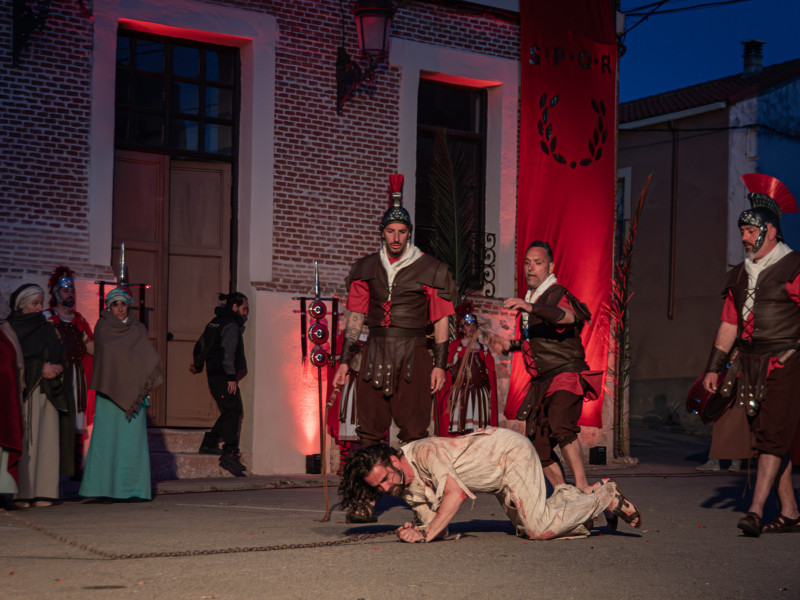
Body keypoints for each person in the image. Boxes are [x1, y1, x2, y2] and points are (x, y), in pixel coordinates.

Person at [331, 176, 457, 521]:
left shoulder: (432, 269)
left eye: (402, 231)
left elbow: (441, 320)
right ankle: (364, 500)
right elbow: (355, 316)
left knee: (415, 434)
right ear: (382, 233)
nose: (396, 238)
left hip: (415, 354)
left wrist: (440, 365)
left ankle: (422, 503)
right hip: (375, 353)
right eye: (391, 232)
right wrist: (345, 361)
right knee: (369, 432)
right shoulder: (365, 268)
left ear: (409, 233)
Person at [702, 174, 800, 536]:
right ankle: (789, 511)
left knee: (773, 434)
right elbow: (729, 323)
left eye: (749, 229)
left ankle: (756, 510)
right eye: (742, 229)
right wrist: (714, 368)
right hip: (750, 364)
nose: (743, 236)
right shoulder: (739, 275)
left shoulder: (794, 267)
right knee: (766, 437)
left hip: (789, 361)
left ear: (770, 232)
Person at [339, 426, 641, 542]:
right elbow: (438, 527)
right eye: (377, 488)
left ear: (394, 460)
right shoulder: (401, 484)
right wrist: (417, 530)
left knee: (537, 529)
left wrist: (427, 532)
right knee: (531, 526)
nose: (384, 489)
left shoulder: (425, 452)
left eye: (384, 479)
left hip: (509, 454)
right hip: (496, 479)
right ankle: (585, 496)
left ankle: (606, 496)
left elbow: (454, 495)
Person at [491, 241, 603, 493]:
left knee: (561, 424)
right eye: (527, 263)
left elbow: (568, 316)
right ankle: (566, 494)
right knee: (538, 443)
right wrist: (512, 346)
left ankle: (583, 486)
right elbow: (540, 339)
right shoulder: (534, 298)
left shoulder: (555, 292)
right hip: (542, 381)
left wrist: (530, 307)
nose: (531, 268)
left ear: (550, 266)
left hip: (565, 372)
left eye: (538, 263)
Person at [80, 287, 162, 501]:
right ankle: (102, 489)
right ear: (109, 306)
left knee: (131, 444)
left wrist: (142, 387)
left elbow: (147, 360)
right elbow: (105, 359)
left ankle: (132, 489)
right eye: (115, 304)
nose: (119, 309)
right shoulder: (103, 327)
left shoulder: (138, 329)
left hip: (134, 396)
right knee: (106, 442)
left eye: (123, 304)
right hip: (108, 394)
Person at [7, 283, 69, 508]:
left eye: (41, 302)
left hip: (48, 392)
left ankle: (44, 492)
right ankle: (23, 493)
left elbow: (61, 356)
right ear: (22, 305)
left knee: (47, 442)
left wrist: (59, 368)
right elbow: (11, 361)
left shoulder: (47, 328)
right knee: (28, 443)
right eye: (34, 303)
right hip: (25, 392)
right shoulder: (10, 329)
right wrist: (39, 368)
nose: (39, 307)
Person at [42, 266, 94, 477]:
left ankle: (74, 467)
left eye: (72, 290)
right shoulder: (47, 317)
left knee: (76, 418)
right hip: (56, 375)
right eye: (65, 290)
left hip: (76, 375)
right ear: (56, 293)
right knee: (55, 418)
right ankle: (52, 467)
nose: (70, 294)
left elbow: (91, 347)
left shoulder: (79, 319)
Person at [190, 292, 249, 473]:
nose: (245, 313)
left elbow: (201, 344)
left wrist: (198, 363)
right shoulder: (231, 325)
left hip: (214, 374)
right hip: (223, 376)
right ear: (234, 307)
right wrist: (231, 376)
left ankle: (209, 443)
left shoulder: (215, 322)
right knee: (233, 410)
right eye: (244, 309)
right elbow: (228, 351)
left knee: (231, 410)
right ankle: (230, 453)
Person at [437, 313, 498, 435]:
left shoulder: (483, 349)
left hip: (479, 393)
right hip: (461, 393)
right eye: (468, 325)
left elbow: (490, 372)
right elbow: (445, 367)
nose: (472, 328)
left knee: (479, 431)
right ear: (461, 328)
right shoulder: (454, 347)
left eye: (474, 325)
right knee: (461, 430)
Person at [0, 294, 25, 510]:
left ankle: (4, 493)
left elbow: (17, 364)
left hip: (6, 398)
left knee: (5, 446)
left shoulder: (6, 329)